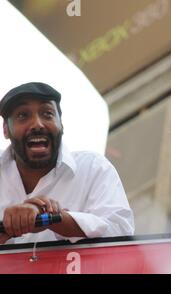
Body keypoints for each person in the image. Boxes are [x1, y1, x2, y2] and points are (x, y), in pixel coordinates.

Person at [0, 82, 134, 245]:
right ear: (6, 129)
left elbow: (121, 233)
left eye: (47, 114)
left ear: (61, 124)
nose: (37, 124)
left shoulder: (92, 168)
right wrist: (8, 228)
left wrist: (51, 219)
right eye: (23, 115)